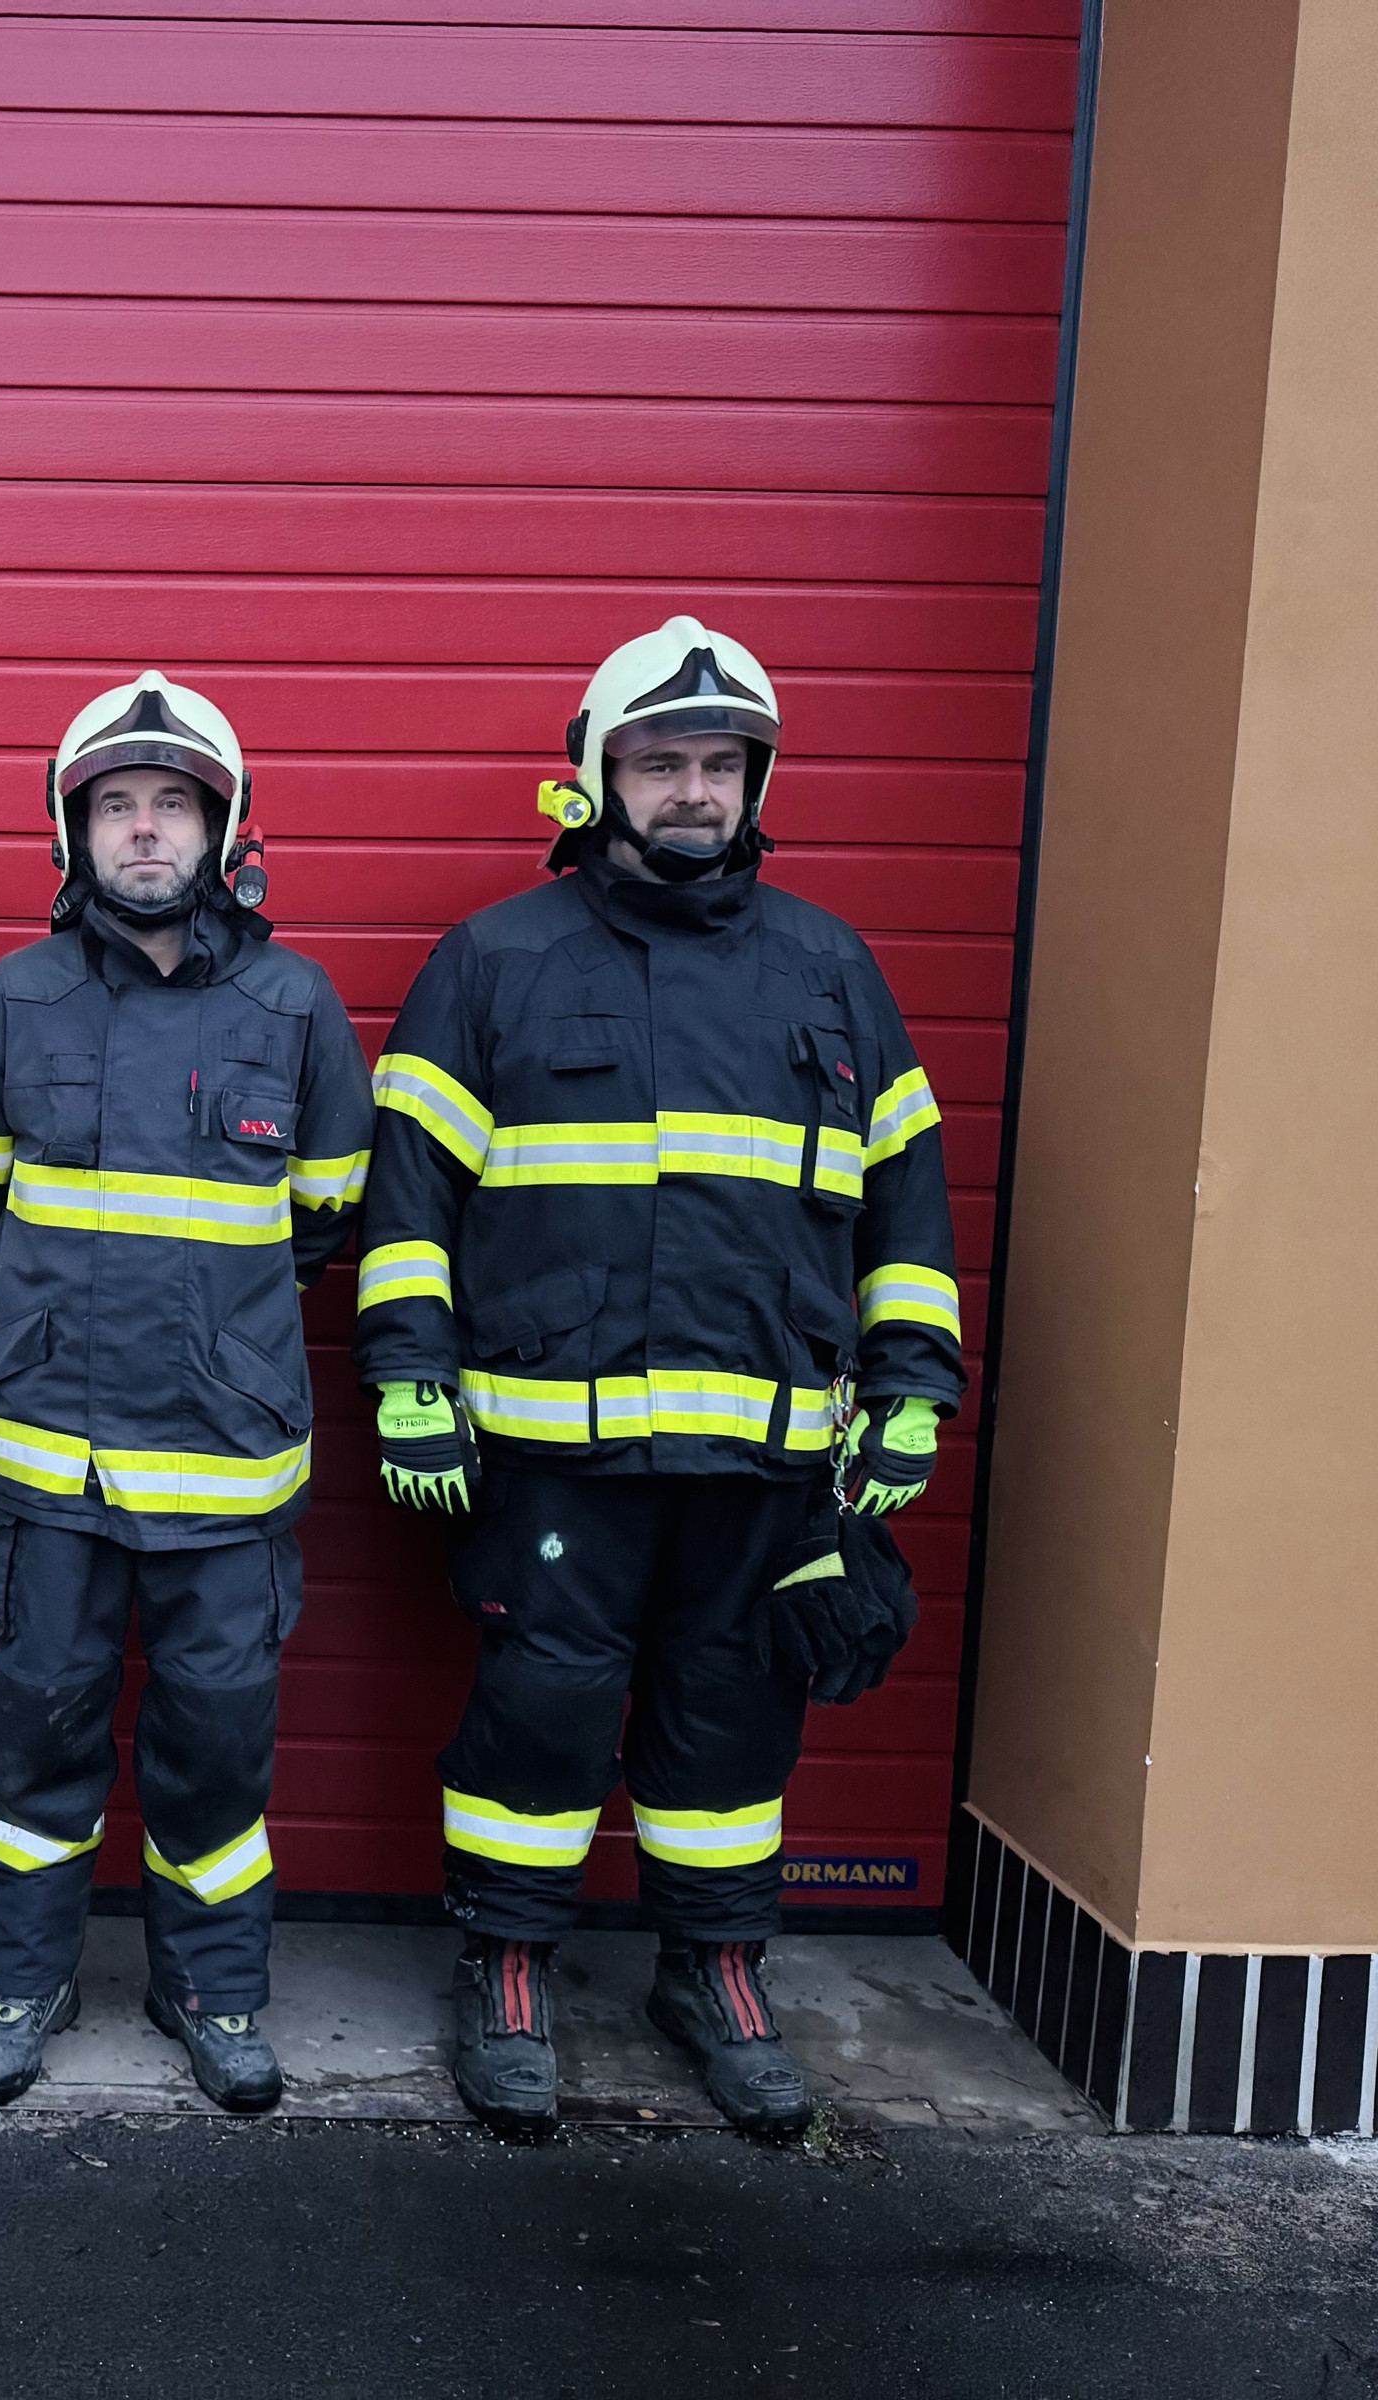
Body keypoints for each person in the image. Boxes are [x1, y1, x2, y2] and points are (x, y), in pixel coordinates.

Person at [353, 616, 964, 2139]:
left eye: (719, 764)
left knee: (734, 1721)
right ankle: (507, 1964)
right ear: (594, 779)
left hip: (766, 1457)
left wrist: (913, 1389)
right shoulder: (495, 960)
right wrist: (411, 1374)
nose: (693, 790)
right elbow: (410, 1197)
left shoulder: (831, 969)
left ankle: (716, 1972)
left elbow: (905, 1206)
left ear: (756, 782)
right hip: (551, 1455)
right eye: (660, 763)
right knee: (541, 1715)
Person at [0, 672, 372, 2112]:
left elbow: (325, 1217)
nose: (142, 830)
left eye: (172, 803)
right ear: (72, 832)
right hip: (54, 1469)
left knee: (217, 1753)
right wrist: (55, 1328)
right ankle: (26, 1981)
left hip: (230, 1472)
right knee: (35, 1737)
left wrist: (217, 1339)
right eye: (114, 805)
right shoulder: (8, 1002)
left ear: (222, 829)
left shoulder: (296, 1006)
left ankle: (212, 1989)